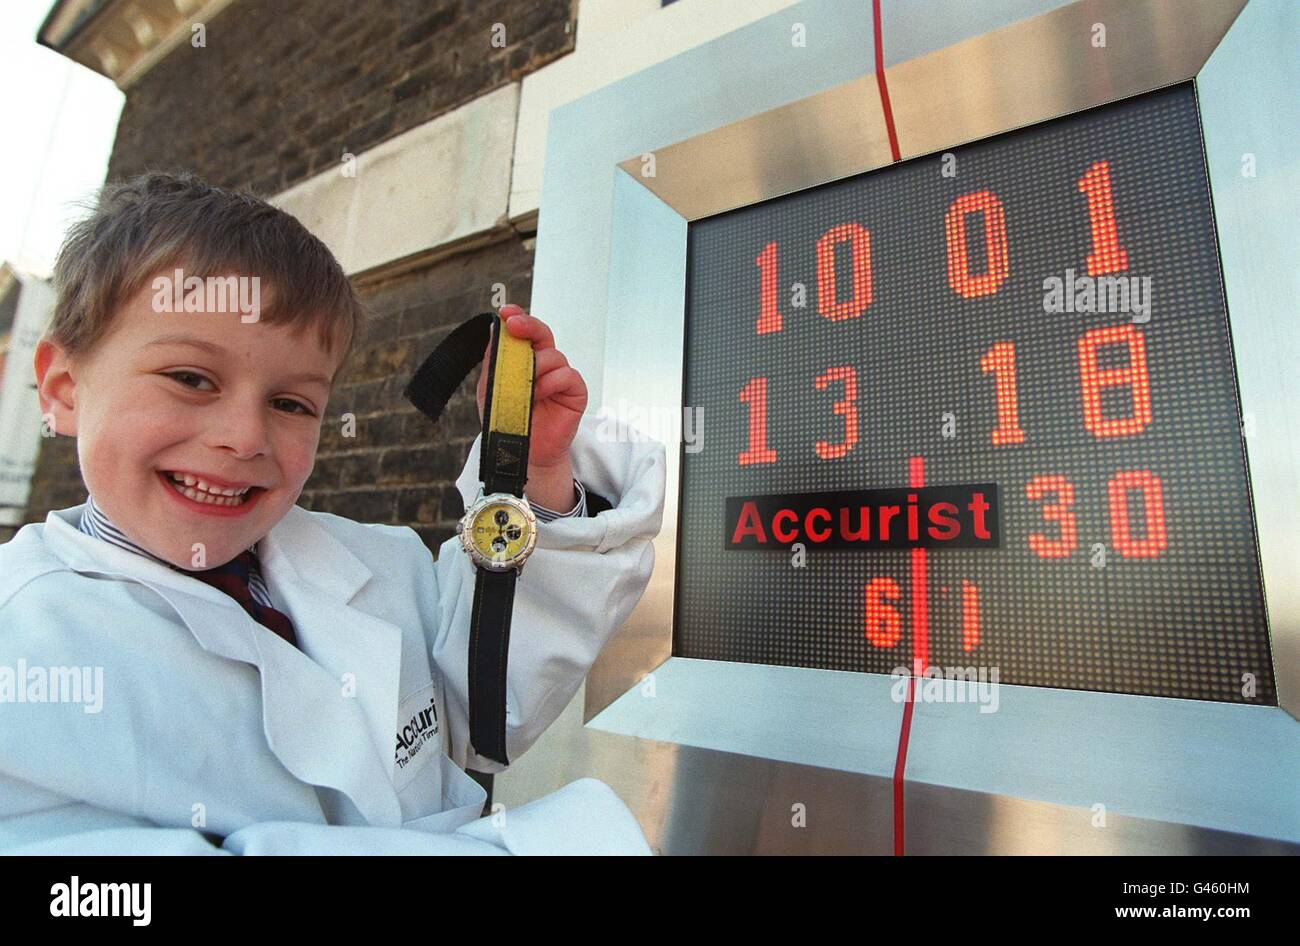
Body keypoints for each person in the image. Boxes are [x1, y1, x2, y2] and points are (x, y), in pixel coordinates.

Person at [0, 172, 665, 855]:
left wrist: (530, 475)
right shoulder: (23, 655)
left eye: (292, 403)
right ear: (62, 389)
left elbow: (483, 710)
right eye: (191, 379)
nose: (245, 437)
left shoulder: (379, 566)